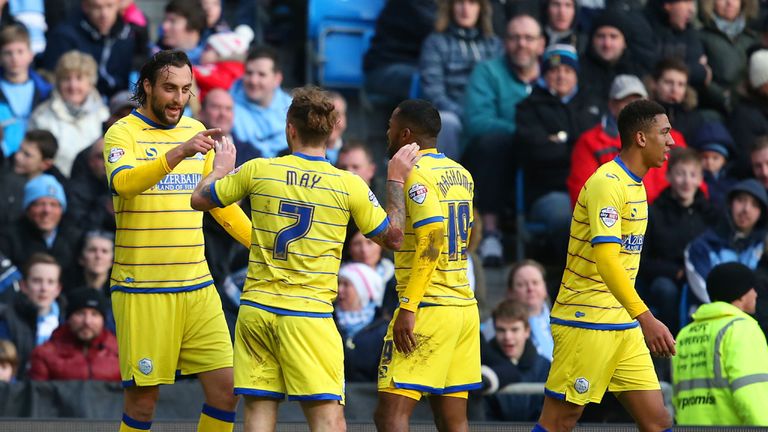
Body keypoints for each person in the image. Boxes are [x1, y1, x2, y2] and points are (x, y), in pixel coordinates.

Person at [189, 86, 418, 432]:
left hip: (256, 312)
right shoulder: (349, 184)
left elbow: (200, 199)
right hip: (308, 316)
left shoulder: (259, 170)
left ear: (290, 128)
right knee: (328, 419)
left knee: (259, 412)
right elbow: (395, 239)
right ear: (330, 131)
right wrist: (396, 180)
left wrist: (220, 168)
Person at [104, 49, 254, 432]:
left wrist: (261, 245)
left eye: (186, 89)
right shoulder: (123, 133)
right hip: (144, 290)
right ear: (148, 87)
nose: (178, 98)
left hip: (197, 287)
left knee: (227, 390)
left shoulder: (195, 130)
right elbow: (123, 184)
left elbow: (218, 206)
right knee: (142, 405)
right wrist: (177, 153)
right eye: (169, 88)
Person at [533, 99, 676, 432]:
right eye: (665, 132)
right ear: (641, 138)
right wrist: (647, 318)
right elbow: (607, 260)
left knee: (657, 420)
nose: (671, 140)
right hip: (586, 319)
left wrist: (635, 318)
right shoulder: (607, 184)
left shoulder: (636, 185)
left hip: (621, 322)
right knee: (560, 420)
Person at [374, 99, 479, 432]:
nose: (386, 130)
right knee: (452, 420)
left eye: (391, 124)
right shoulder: (461, 173)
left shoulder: (414, 174)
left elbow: (432, 239)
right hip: (463, 308)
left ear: (405, 133)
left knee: (390, 415)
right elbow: (468, 234)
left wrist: (408, 305)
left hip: (428, 307)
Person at [462, 14, 545, 267]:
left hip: (544, 156)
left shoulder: (555, 73)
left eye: (529, 38)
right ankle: (490, 232)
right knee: (493, 143)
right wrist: (524, 133)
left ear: (541, 44)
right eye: (515, 38)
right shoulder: (487, 72)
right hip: (498, 154)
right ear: (504, 43)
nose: (522, 44)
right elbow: (477, 121)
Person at [566, 74, 689, 206]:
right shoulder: (589, 142)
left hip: (668, 217)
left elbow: (694, 176)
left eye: (639, 102)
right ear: (612, 105)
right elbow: (583, 195)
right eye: (626, 101)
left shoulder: (673, 138)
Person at [672, 262, 768, 426]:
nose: (756, 294)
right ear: (741, 294)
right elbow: (751, 391)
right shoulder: (743, 328)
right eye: (752, 288)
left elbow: (677, 396)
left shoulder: (684, 334)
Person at [640, 147, 716, 330]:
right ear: (669, 177)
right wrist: (676, 272)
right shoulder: (654, 212)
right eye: (680, 174)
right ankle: (669, 344)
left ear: (700, 179)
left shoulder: (710, 213)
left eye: (692, 175)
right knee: (665, 289)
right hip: (668, 278)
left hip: (702, 276)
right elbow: (642, 260)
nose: (686, 181)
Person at [418, 0, 501, 159]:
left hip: (486, 114)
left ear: (481, 9)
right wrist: (466, 115)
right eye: (459, 2)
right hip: (454, 114)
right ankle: (447, 181)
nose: (465, 9)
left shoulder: (494, 44)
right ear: (450, 7)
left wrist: (481, 117)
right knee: (447, 122)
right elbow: (434, 94)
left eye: (472, 3)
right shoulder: (435, 43)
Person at [41, 0, 149, 97]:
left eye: (109, 5)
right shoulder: (64, 36)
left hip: (122, 102)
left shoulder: (131, 34)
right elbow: (53, 78)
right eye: (97, 7)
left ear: (118, 5)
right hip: (80, 99)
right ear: (85, 6)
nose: (104, 14)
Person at [684, 179, 768, 304]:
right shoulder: (702, 246)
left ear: (761, 213)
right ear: (730, 204)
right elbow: (704, 289)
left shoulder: (764, 247)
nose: (746, 209)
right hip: (712, 316)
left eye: (754, 205)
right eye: (741, 200)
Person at [29, 50, 110, 177]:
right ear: (58, 83)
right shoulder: (41, 116)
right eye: (66, 79)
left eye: (79, 78)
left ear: (90, 83)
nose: (73, 85)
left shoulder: (104, 115)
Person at [28, 288, 120, 381]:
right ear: (69, 318)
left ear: (103, 320)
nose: (87, 321)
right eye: (80, 314)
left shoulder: (121, 354)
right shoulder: (44, 355)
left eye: (94, 314)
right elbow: (37, 393)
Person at [482, 299, 551, 422]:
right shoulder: (483, 367)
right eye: (501, 330)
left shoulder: (545, 368)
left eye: (514, 329)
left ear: (527, 331)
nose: (508, 337)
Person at [0, 253, 64, 380]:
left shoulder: (68, 320)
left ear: (58, 289)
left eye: (50, 282)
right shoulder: (6, 319)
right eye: (37, 281)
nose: (44, 288)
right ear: (23, 285)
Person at [0, 174, 81, 272]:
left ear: (61, 210)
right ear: (27, 209)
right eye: (40, 204)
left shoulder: (74, 239)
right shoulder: (8, 239)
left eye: (54, 204)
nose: (47, 210)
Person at [230, 45, 293, 160]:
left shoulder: (293, 108)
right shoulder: (226, 106)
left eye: (261, 74)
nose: (253, 81)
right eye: (249, 73)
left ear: (277, 79)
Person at [0, 23, 52, 157]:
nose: (14, 58)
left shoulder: (47, 91)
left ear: (31, 54)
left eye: (20, 51)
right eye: (8, 53)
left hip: (37, 159)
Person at [154, 0, 207, 65]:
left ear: (193, 23)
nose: (164, 26)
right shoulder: (152, 57)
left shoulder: (212, 61)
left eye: (173, 21)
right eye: (164, 20)